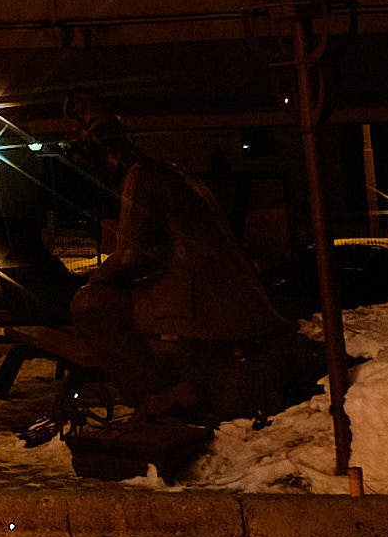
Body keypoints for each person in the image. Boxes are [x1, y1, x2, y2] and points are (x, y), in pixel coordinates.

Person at [64, 95, 290, 413]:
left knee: (89, 303)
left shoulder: (140, 177)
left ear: (106, 151)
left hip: (198, 304)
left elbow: (132, 257)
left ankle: (154, 398)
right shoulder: (174, 172)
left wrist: (93, 277)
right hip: (233, 296)